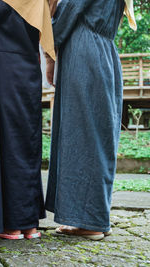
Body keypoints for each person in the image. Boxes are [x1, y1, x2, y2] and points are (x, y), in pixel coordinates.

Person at [45, 0, 136, 240]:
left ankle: (92, 220)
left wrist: (48, 44)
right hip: (101, 49)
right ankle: (82, 217)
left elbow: (71, 8)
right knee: (90, 133)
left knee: (85, 134)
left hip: (84, 50)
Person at [0, 0, 56, 239]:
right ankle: (28, 224)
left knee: (4, 139)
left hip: (5, 66)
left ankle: (10, 224)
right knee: (25, 142)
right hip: (29, 66)